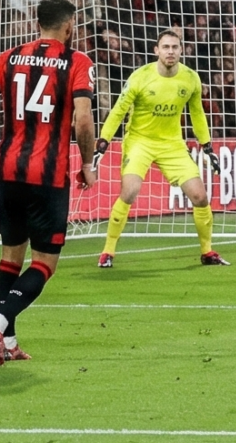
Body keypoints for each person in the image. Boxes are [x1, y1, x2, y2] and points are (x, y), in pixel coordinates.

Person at [0, 0, 97, 365]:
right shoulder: (77, 61)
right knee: (45, 263)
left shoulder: (10, 57)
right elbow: (84, 121)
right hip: (47, 177)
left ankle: (7, 343)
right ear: (68, 25)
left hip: (8, 173)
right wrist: (88, 162)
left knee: (10, 258)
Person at [95, 30, 226, 269]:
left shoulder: (190, 78)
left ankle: (207, 252)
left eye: (175, 47)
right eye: (165, 47)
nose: (170, 52)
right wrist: (102, 142)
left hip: (172, 144)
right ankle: (108, 251)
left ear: (181, 50)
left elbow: (197, 113)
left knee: (200, 196)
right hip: (139, 141)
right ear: (156, 51)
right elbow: (118, 110)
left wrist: (206, 146)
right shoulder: (140, 77)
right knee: (130, 192)